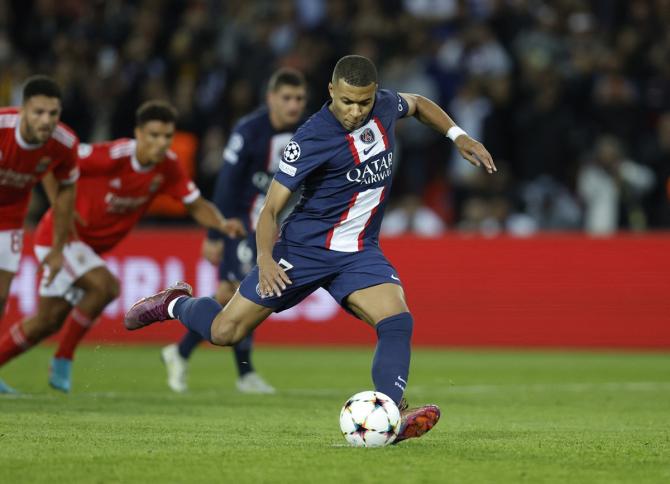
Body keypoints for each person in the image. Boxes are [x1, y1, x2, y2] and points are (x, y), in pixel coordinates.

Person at [124, 55, 496, 443]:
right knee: (224, 331)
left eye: (364, 103)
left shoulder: (384, 105)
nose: (355, 111)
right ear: (331, 91)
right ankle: (174, 303)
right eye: (347, 102)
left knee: (397, 321)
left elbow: (418, 103)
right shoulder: (309, 139)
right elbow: (270, 209)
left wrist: (459, 136)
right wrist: (266, 260)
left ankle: (389, 413)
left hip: (359, 252)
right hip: (302, 251)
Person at [0, 100, 245, 393]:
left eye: (167, 136)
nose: (161, 143)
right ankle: (63, 359)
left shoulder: (168, 167)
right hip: (62, 237)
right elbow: (57, 161)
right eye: (154, 135)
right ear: (138, 133)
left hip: (87, 250)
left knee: (46, 322)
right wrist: (60, 206)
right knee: (106, 287)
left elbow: (194, 204)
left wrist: (221, 224)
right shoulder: (111, 156)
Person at [162, 68, 307, 394]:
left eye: (299, 98)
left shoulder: (306, 130)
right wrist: (214, 234)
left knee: (234, 293)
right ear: (270, 98)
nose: (294, 105)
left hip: (271, 225)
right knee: (243, 291)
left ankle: (182, 353)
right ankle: (243, 373)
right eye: (286, 98)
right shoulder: (249, 131)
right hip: (239, 223)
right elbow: (226, 184)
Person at [0, 76, 79, 394]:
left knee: (1, 296)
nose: (46, 120)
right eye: (38, 112)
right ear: (22, 111)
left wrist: (58, 250)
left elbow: (65, 191)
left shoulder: (64, 143)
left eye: (53, 113)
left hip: (9, 219)